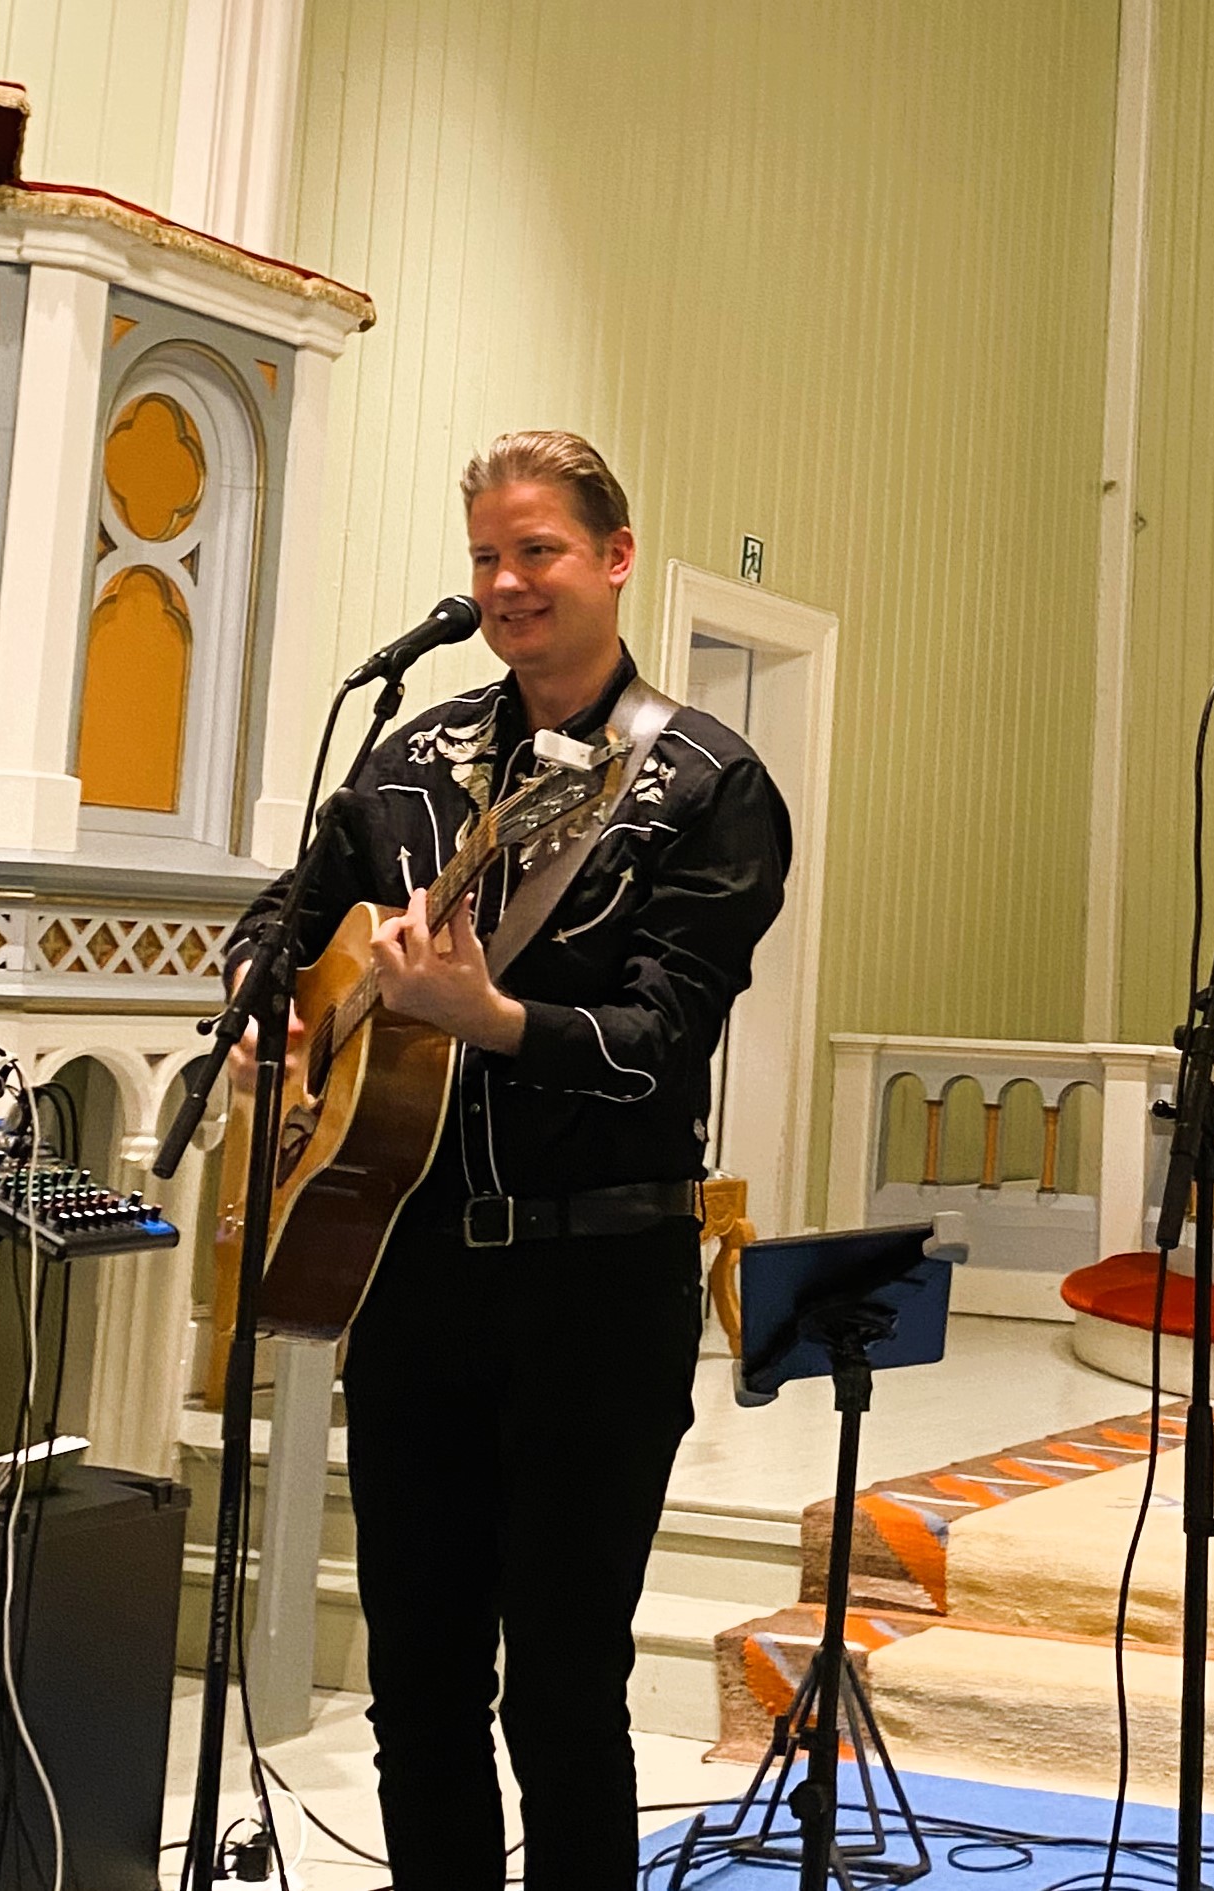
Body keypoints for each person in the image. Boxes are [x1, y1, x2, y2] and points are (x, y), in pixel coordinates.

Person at [225, 430, 791, 1888]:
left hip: (595, 1280)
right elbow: (291, 908)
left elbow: (662, 1036)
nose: (502, 581)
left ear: (611, 557)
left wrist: (491, 1017)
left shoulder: (706, 783)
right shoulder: (408, 752)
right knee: (413, 1688)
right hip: (409, 1276)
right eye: (484, 554)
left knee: (558, 1692)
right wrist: (264, 1017)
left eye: (535, 549)